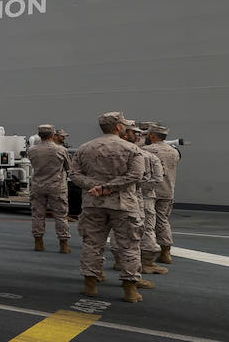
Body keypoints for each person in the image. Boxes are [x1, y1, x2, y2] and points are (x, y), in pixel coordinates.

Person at [71, 112, 147, 302]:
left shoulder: (85, 148)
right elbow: (136, 175)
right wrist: (108, 188)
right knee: (129, 246)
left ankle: (90, 285)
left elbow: (73, 174)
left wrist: (94, 187)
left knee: (92, 244)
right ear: (119, 127)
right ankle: (130, 289)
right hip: (124, 205)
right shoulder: (132, 149)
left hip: (93, 203)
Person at [126, 123, 168, 280]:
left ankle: (119, 261)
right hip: (146, 197)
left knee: (122, 229)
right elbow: (157, 178)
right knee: (148, 228)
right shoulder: (150, 157)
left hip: (122, 197)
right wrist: (140, 186)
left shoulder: (121, 153)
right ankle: (147, 263)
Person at [27, 124, 71, 253]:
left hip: (38, 186)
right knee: (61, 216)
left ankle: (38, 242)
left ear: (40, 135)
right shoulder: (61, 150)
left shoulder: (32, 150)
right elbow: (69, 168)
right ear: (53, 135)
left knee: (37, 215)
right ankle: (63, 244)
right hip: (57, 186)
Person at [145, 124, 179, 266]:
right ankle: (166, 252)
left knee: (148, 222)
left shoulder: (146, 150)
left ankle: (148, 254)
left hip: (149, 191)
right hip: (167, 191)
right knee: (162, 220)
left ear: (152, 135)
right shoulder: (174, 152)